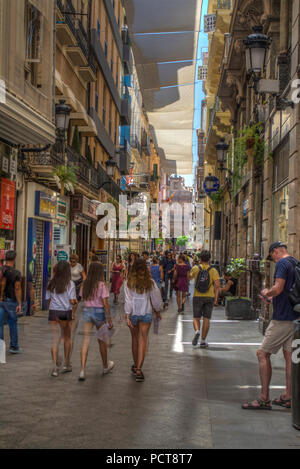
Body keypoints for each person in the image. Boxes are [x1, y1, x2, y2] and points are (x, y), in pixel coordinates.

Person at [242, 242, 299, 410]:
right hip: (295, 317)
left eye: (272, 257)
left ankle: (264, 398)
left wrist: (268, 292)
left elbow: (279, 288)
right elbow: (291, 290)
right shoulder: (295, 262)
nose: (273, 261)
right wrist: (274, 298)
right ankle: (289, 396)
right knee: (290, 358)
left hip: (282, 318)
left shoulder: (282, 263)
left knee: (262, 354)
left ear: (275, 252)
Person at [124, 259, 162, 382]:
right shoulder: (150, 282)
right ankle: (139, 369)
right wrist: (158, 310)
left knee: (134, 340)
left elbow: (128, 300)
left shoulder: (128, 282)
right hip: (146, 313)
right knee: (143, 340)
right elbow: (156, 298)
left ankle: (135, 366)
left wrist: (127, 315)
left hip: (133, 313)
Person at [79, 262, 114, 381]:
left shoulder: (85, 284)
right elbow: (105, 303)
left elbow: (82, 298)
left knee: (86, 340)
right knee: (102, 340)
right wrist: (109, 318)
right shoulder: (101, 285)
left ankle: (82, 370)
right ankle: (105, 366)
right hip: (99, 313)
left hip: (87, 311)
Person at [46, 261, 77, 376]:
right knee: (67, 338)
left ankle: (55, 368)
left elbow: (48, 299)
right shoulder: (70, 284)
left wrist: (52, 308)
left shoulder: (51, 283)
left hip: (54, 312)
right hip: (65, 312)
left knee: (55, 339)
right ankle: (66, 364)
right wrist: (74, 304)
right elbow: (72, 300)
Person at [189, 250, 220, 348]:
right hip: (209, 297)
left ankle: (197, 330)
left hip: (197, 296)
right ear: (209, 259)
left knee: (196, 317)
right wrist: (216, 299)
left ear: (200, 259)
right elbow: (217, 285)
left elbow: (189, 278)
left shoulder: (195, 268)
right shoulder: (213, 270)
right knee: (207, 319)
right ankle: (203, 341)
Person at [0, 251, 23, 354]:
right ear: (14, 259)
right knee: (12, 323)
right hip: (10, 300)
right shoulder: (16, 273)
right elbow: (17, 288)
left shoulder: (1, 270)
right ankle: (14, 346)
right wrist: (19, 303)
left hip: (1, 300)